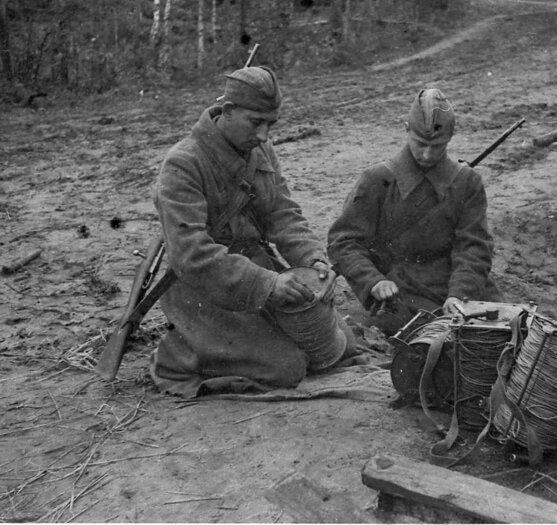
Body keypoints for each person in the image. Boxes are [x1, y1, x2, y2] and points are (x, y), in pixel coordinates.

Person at [151, 65, 353, 398]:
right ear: (228, 112)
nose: (263, 136)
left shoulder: (259, 151)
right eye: (255, 122)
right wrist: (268, 283)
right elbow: (190, 254)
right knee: (285, 367)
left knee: (339, 345)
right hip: (201, 284)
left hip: (253, 271)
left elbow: (282, 212)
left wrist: (312, 258)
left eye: (270, 124)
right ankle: (178, 353)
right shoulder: (183, 163)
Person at [327, 88, 502, 335]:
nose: (427, 154)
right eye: (421, 143)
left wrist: (460, 295)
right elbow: (343, 242)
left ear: (450, 138)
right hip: (404, 291)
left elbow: (474, 246)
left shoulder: (466, 182)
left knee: (509, 334)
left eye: (437, 146)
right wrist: (373, 281)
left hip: (460, 287)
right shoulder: (378, 180)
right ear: (407, 129)